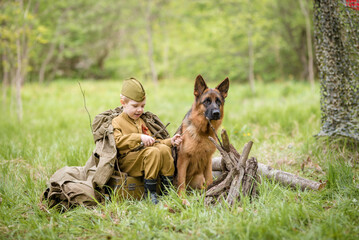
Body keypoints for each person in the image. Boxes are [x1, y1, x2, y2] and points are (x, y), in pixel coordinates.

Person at [112, 78, 182, 204]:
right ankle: (150, 193)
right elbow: (117, 141)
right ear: (123, 103)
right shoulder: (117, 121)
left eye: (142, 106)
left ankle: (167, 189)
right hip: (127, 161)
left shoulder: (141, 121)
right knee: (152, 152)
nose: (140, 110)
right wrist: (139, 137)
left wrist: (170, 141)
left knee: (164, 149)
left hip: (145, 157)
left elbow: (154, 142)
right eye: (135, 106)